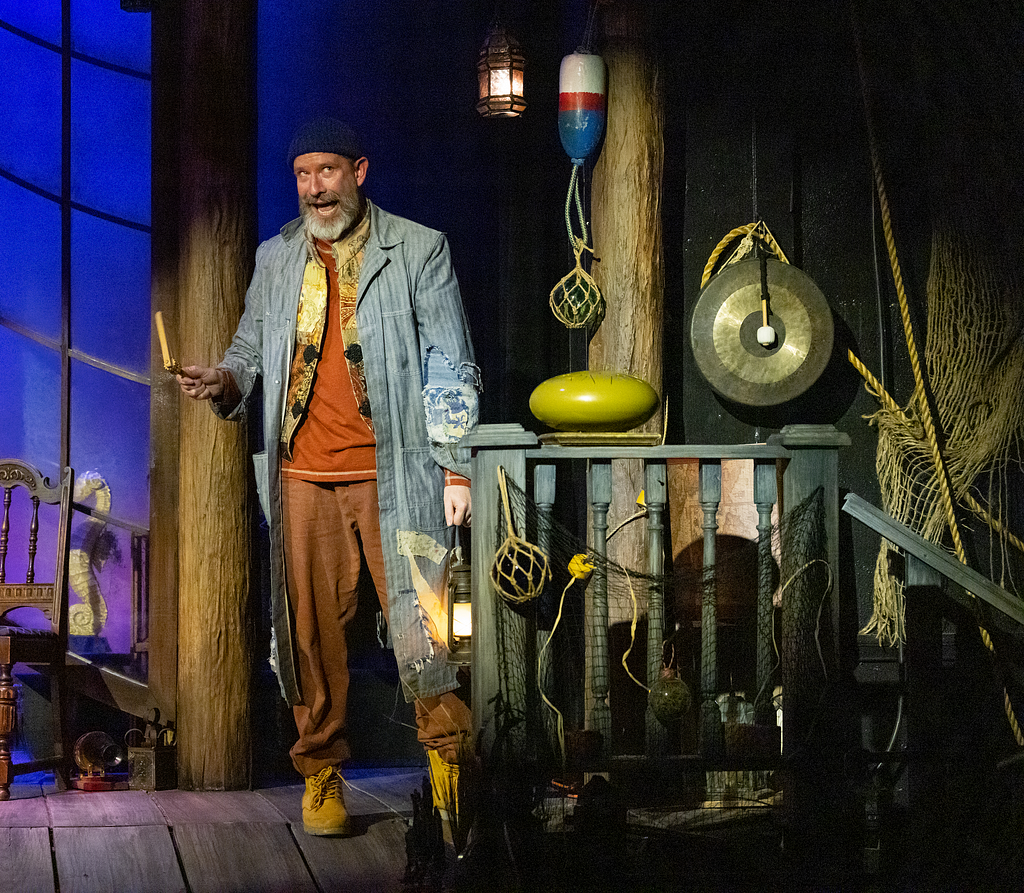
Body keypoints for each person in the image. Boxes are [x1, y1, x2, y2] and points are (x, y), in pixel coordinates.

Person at [177, 117, 480, 836]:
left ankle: (450, 762)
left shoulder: (418, 248)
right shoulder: (277, 256)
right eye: (304, 174)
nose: (316, 187)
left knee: (428, 622)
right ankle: (321, 774)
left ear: (359, 171)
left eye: (328, 171)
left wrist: (455, 465)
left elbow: (451, 360)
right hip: (302, 475)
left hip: (398, 472)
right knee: (308, 634)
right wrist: (224, 378)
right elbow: (250, 349)